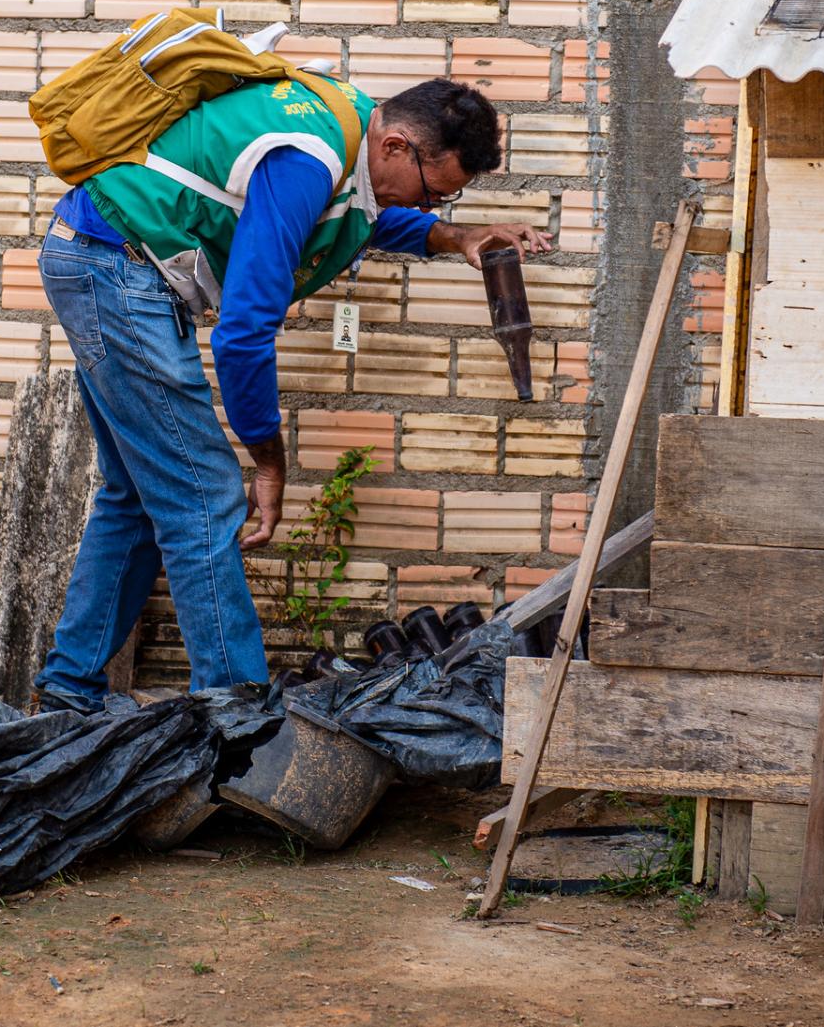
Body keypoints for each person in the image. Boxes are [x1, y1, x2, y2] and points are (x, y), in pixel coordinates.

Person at [33, 74, 552, 709]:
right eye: (432, 195)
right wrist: (269, 461)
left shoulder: (349, 125)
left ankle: (68, 689)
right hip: (114, 269)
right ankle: (237, 718)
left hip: (102, 258)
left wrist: (456, 236)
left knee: (137, 495)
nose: (426, 210)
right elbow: (244, 331)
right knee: (204, 495)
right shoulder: (309, 158)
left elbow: (360, 217)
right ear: (395, 147)